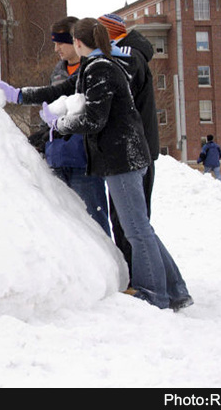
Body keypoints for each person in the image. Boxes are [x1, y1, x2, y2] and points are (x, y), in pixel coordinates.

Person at [39, 18, 192, 310]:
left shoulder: (116, 64)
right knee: (138, 226)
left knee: (134, 227)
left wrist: (59, 123)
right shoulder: (109, 63)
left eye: (65, 40)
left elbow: (99, 116)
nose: (59, 47)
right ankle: (173, 288)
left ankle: (153, 292)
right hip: (127, 153)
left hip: (124, 155)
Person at [8, 17, 111, 236]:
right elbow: (52, 103)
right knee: (65, 230)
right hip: (59, 156)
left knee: (95, 225)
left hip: (84, 160)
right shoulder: (57, 72)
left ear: (76, 41)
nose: (56, 49)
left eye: (60, 43)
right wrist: (43, 137)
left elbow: (93, 117)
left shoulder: (93, 69)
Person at [97, 13, 161, 278]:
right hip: (135, 151)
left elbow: (115, 103)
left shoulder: (128, 57)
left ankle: (144, 280)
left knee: (132, 224)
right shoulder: (128, 55)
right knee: (132, 222)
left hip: (133, 154)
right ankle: (149, 279)